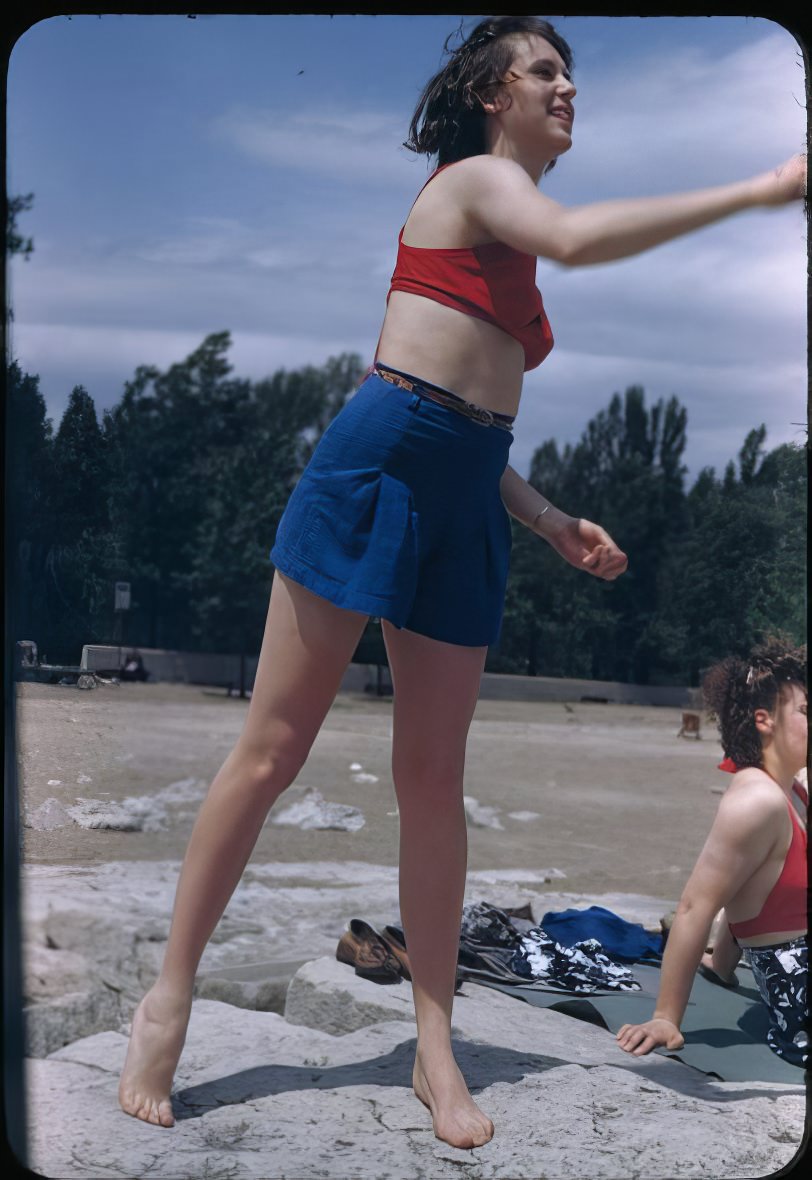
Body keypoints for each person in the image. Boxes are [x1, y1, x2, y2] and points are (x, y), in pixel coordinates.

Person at [119, 16, 806, 1148]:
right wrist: (760, 188)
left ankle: (431, 1044)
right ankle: (170, 996)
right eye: (544, 70)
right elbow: (547, 270)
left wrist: (541, 519)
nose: (566, 85)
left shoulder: (509, 242)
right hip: (374, 467)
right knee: (271, 749)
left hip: (464, 492)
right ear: (491, 93)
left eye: (567, 70)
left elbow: (475, 416)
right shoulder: (477, 182)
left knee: (433, 779)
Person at [617, 641, 807, 1067]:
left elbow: (747, 889)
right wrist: (666, 1017)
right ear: (765, 721)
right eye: (806, 712)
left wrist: (721, 965)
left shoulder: (791, 789)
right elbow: (695, 906)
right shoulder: (757, 801)